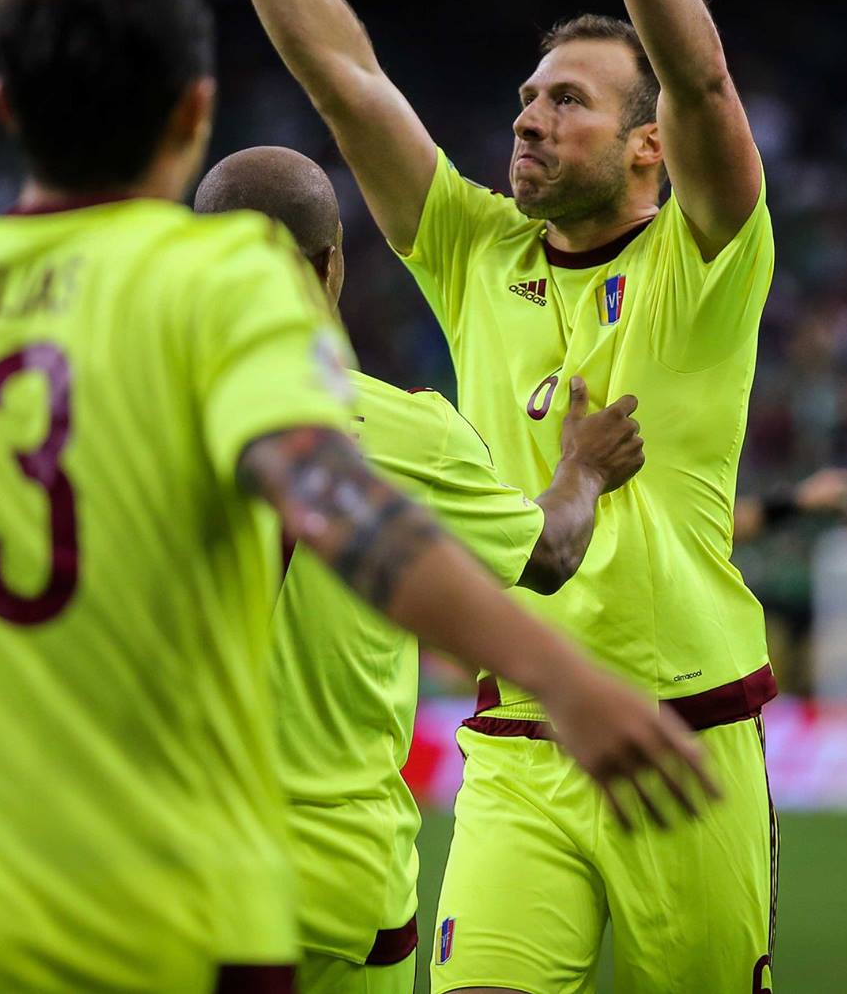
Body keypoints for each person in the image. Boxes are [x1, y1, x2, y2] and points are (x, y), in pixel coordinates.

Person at [0, 0, 712, 994]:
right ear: (192, 115)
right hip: (174, 908)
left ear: (5, 107)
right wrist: (562, 675)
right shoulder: (212, 297)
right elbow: (326, 491)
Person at [135, 0, 779, 992]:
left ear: (645, 148)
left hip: (689, 734)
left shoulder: (700, 261)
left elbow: (702, 86)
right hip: (515, 746)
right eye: (528, 97)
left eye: (568, 101)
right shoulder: (479, 251)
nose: (526, 119)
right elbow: (347, 83)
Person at [194, 145, 644, 993]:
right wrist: (581, 469)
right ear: (331, 265)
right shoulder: (404, 433)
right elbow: (548, 554)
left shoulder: (123, 420)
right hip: (335, 881)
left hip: (159, 873)